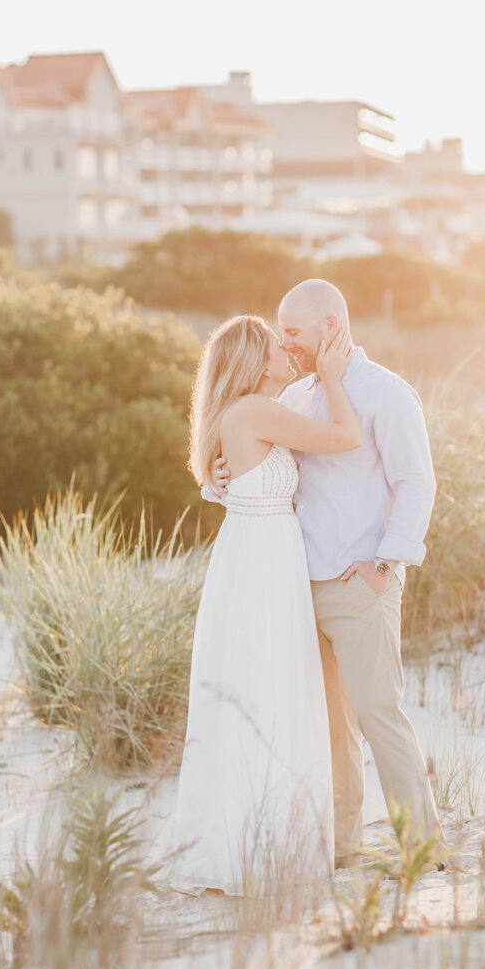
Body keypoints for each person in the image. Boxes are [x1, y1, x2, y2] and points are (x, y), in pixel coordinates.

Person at [210, 280, 443, 866]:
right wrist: (223, 470)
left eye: (293, 332)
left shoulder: (388, 394)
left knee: (378, 715)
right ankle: (341, 850)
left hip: (358, 584)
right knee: (330, 729)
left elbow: (417, 484)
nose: (285, 344)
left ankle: (422, 849)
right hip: (295, 587)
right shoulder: (290, 399)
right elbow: (270, 473)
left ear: (331, 326)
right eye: (280, 333)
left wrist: (386, 563)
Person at [170, 313, 360, 896]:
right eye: (276, 346)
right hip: (261, 561)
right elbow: (345, 437)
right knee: (268, 688)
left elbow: (229, 476)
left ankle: (256, 841)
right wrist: (331, 377)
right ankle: (260, 848)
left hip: (260, 556)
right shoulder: (254, 410)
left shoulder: (248, 414)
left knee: (262, 687)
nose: (286, 351)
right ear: (254, 362)